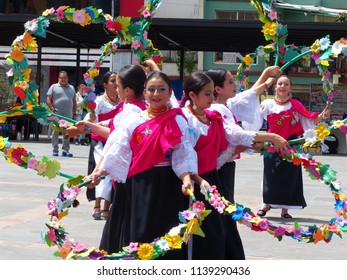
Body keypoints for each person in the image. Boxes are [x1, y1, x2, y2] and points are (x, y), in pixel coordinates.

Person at [88, 71, 208, 259]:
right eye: (151, 89)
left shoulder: (177, 119)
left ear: (170, 93)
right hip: (139, 185)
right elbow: (119, 151)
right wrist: (99, 173)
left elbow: (182, 153)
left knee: (167, 236)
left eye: (161, 89)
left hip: (168, 185)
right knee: (139, 234)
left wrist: (186, 179)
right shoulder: (134, 119)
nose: (156, 93)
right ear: (144, 92)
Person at [180, 72, 289, 260]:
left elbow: (230, 136)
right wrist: (269, 136)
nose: (234, 85)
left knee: (219, 223)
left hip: (212, 174)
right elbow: (186, 154)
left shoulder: (215, 113)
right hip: (200, 178)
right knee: (208, 225)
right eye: (230, 82)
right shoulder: (189, 117)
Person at [243, 75, 331, 219]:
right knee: (270, 175)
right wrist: (253, 109)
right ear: (275, 87)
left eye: (285, 84)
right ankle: (265, 204)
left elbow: (308, 120)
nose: (282, 87)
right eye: (280, 84)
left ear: (290, 87)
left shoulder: (296, 105)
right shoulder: (268, 104)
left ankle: (285, 210)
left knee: (289, 177)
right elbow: (254, 119)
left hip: (291, 145)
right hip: (271, 144)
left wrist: (322, 116)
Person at [46, 70, 76, 157]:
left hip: (68, 114)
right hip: (57, 114)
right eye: (61, 78)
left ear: (67, 78)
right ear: (58, 78)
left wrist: (74, 113)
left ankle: (65, 150)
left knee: (67, 132)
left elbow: (74, 101)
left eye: (65, 78)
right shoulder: (54, 87)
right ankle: (55, 149)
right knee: (55, 132)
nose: (63, 79)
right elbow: (48, 99)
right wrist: (52, 109)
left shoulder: (71, 88)